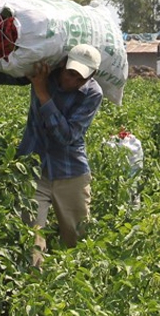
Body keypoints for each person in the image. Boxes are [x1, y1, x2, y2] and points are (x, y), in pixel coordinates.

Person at [15, 44, 104, 260]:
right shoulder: (44, 74)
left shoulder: (92, 94)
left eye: (79, 78)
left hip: (70, 173)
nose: (71, 81)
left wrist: (43, 94)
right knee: (30, 240)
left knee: (78, 240)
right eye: (69, 73)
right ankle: (33, 288)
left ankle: (75, 288)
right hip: (35, 169)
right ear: (63, 64)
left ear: (92, 75)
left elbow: (66, 136)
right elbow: (9, 74)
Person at [106, 126, 145, 205]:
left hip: (130, 176)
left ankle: (131, 208)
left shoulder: (133, 143)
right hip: (126, 177)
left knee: (131, 189)